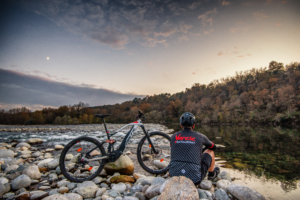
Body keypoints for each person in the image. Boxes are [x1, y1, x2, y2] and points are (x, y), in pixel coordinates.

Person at [169, 112, 219, 184]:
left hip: (174, 176)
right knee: (210, 151)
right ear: (194, 125)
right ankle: (211, 175)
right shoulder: (200, 136)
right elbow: (213, 147)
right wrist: (203, 148)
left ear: (181, 125)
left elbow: (172, 146)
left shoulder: (173, 136)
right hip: (195, 178)